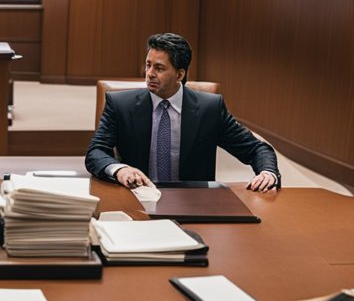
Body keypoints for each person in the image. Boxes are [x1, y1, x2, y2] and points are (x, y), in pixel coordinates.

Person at [85, 33, 279, 192]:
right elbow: (96, 152)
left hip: (193, 203)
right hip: (138, 196)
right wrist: (120, 169)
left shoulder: (209, 109)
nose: (149, 73)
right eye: (148, 65)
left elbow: (256, 148)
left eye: (159, 68)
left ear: (180, 74)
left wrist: (267, 173)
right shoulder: (120, 105)